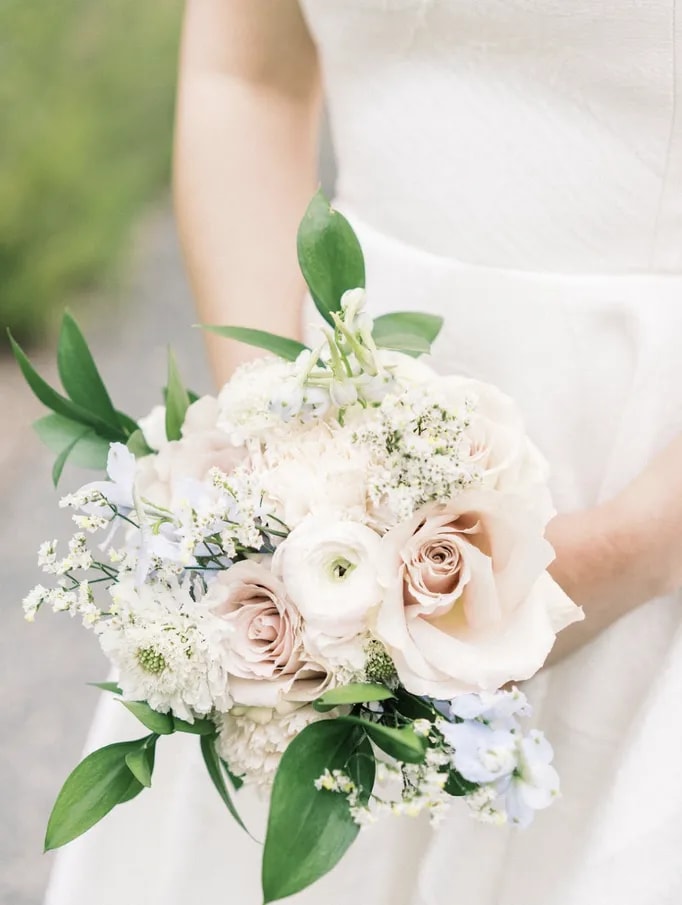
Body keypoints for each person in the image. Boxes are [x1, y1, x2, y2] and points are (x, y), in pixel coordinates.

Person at [46, 2, 682, 903]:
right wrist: (277, 448)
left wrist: (634, 544)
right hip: (337, 419)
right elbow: (246, 77)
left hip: (649, 462)